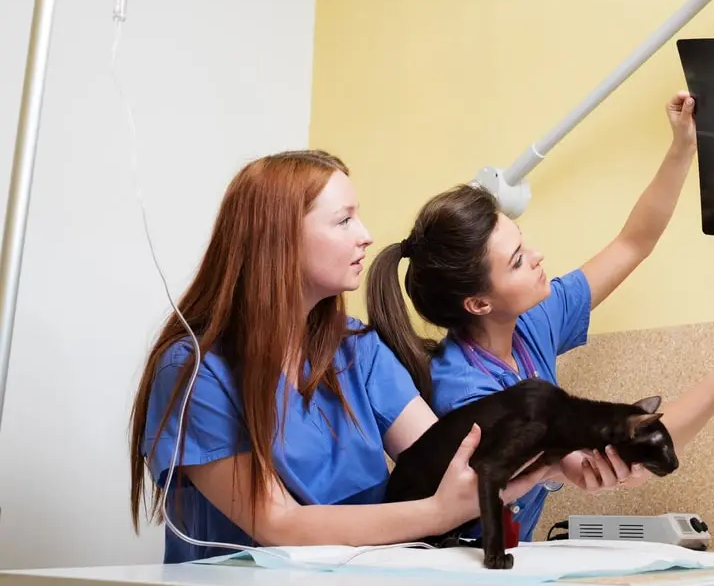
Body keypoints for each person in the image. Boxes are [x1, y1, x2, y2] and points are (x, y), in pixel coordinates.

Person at [365, 91, 714, 543]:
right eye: (517, 260)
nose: (537, 257)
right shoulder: (465, 392)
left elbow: (633, 242)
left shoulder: (532, 322)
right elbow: (619, 455)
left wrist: (682, 147)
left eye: (524, 242)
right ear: (479, 303)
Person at [127, 150, 561, 564]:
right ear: (279, 240)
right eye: (344, 220)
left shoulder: (357, 348)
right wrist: (438, 513)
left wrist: (560, 457)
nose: (366, 235)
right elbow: (277, 523)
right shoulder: (196, 373)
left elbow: (449, 454)